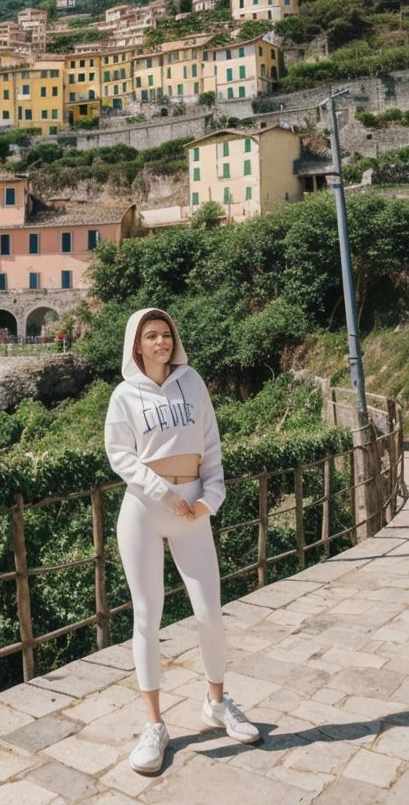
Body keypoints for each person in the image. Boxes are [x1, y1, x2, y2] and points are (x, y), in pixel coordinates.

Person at [105, 308, 260, 774]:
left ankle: (216, 702)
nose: (161, 342)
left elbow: (211, 449)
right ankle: (154, 725)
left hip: (193, 511)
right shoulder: (123, 395)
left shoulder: (192, 382)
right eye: (151, 336)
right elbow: (120, 456)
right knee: (147, 619)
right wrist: (163, 493)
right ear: (137, 344)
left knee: (209, 613)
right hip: (144, 512)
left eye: (166, 334)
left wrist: (209, 500)